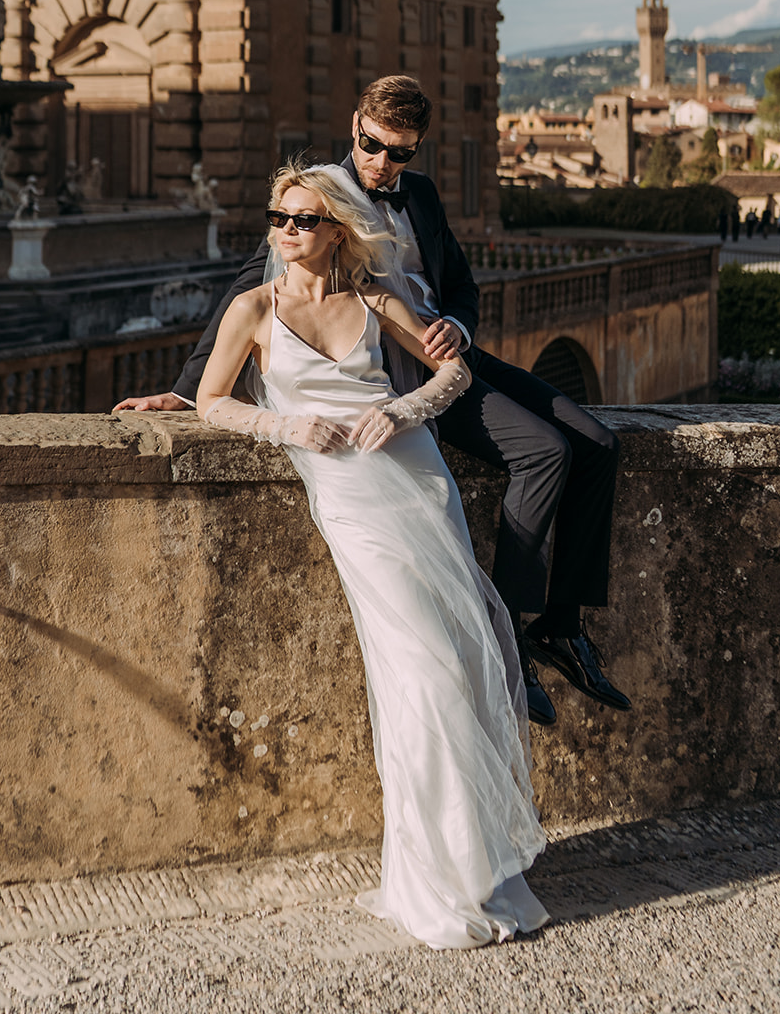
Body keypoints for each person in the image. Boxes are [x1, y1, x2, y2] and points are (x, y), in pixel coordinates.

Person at [117, 76, 629, 729]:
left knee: (599, 444)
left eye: (399, 153)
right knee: (545, 452)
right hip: (404, 376)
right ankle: (507, 641)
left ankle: (561, 626)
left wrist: (459, 327)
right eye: (372, 145)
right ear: (355, 123)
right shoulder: (320, 196)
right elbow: (250, 285)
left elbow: (461, 286)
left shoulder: (420, 194)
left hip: (451, 352)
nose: (382, 163)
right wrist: (188, 391)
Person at [195, 160, 548, 948]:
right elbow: (210, 401)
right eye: (279, 218)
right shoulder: (250, 308)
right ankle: (432, 878)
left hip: (417, 478)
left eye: (304, 221)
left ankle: (477, 866)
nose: (286, 231)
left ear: (337, 231)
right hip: (347, 496)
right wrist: (283, 426)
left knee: (455, 659)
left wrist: (403, 408)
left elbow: (452, 369)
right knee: (417, 669)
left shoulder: (372, 298)